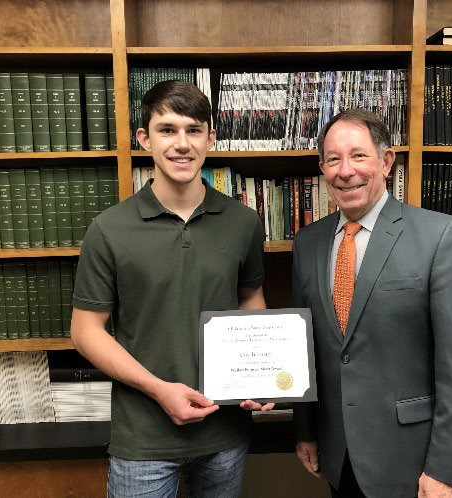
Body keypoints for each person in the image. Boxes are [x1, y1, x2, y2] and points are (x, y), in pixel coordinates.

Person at [70, 80, 271, 498]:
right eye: (167, 130)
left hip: (225, 432)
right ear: (144, 138)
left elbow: (250, 299)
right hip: (144, 437)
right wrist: (159, 390)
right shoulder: (108, 228)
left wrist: (261, 377)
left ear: (210, 138)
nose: (182, 144)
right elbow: (85, 330)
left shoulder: (244, 222)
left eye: (194, 130)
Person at [292, 109, 452, 498]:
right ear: (322, 168)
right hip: (338, 453)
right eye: (333, 159)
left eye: (359, 156)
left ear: (386, 161)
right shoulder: (308, 242)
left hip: (411, 459)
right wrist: (306, 431)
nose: (345, 171)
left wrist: (445, 468)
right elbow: (306, 348)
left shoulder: (439, 235)